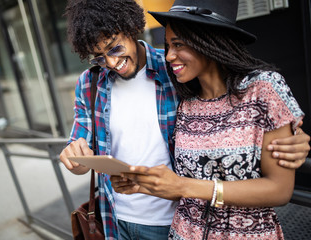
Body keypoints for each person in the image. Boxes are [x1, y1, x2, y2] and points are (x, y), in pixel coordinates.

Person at [60, 0, 310, 239]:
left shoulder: (176, 73)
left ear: (131, 28)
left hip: (172, 219)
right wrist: (78, 160)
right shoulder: (90, 83)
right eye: (99, 57)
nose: (111, 62)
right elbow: (81, 144)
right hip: (116, 217)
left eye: (115, 48)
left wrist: (290, 135)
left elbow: (235, 111)